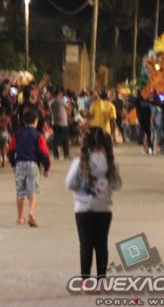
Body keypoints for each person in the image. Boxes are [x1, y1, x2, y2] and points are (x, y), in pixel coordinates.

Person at [65, 127, 122, 282]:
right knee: (101, 245)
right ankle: (101, 281)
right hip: (103, 208)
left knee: (85, 246)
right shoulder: (111, 163)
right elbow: (117, 185)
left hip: (83, 208)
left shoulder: (79, 162)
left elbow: (70, 183)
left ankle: (85, 281)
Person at [8, 109, 50, 226]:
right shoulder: (38, 135)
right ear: (36, 121)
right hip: (33, 164)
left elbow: (10, 150)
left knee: (20, 191)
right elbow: (44, 153)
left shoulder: (17, 134)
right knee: (32, 189)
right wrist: (46, 167)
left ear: (23, 120)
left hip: (19, 164)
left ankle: (20, 217)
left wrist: (13, 163)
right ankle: (31, 212)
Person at [49, 87, 70, 160]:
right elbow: (69, 108)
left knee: (56, 137)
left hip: (54, 122)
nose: (62, 95)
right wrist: (68, 102)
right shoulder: (61, 101)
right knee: (65, 139)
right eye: (61, 94)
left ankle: (56, 154)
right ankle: (66, 154)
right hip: (63, 123)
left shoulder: (51, 102)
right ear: (59, 94)